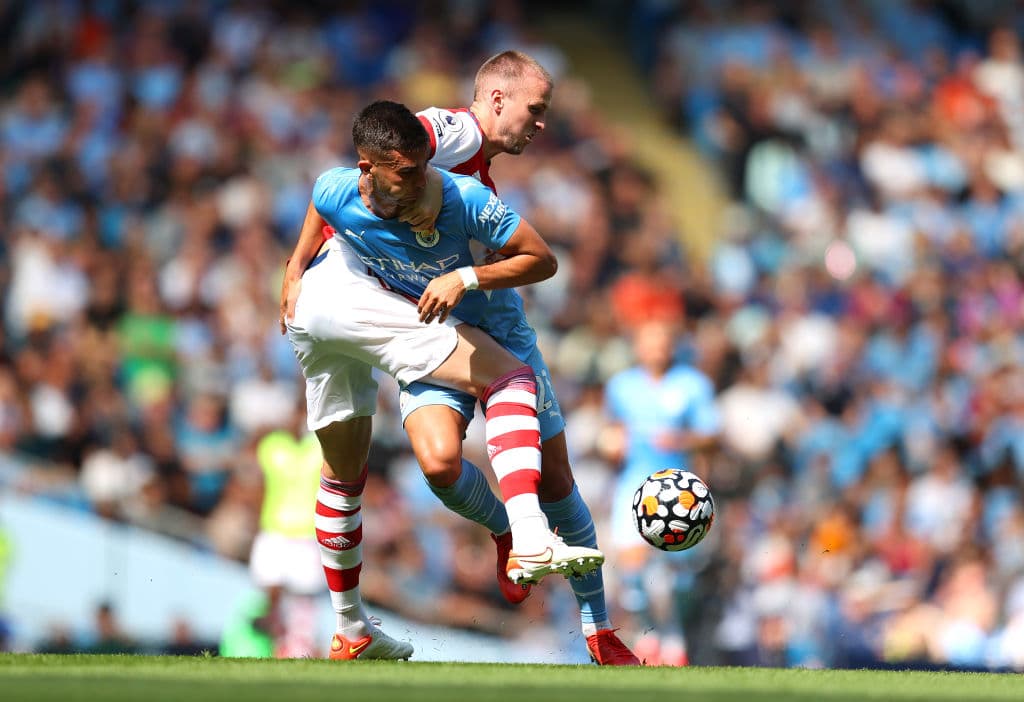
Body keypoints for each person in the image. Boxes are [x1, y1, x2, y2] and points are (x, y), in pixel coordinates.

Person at [288, 51, 639, 664]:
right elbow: (387, 145)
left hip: (490, 316)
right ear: (497, 100)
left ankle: (600, 631)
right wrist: (298, 266)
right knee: (440, 463)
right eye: (535, 110)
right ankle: (511, 533)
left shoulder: (469, 184)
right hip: (425, 312)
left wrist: (469, 276)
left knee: (556, 481)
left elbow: (537, 258)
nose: (540, 124)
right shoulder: (454, 134)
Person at [603, 319, 721, 665]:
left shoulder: (693, 384)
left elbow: (711, 434)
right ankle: (651, 639)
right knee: (632, 568)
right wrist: (613, 444)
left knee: (674, 576)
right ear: (637, 346)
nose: (657, 349)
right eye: (649, 341)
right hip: (634, 485)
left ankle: (673, 640)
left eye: (662, 341)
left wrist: (681, 439)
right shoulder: (621, 386)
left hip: (679, 488)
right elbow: (614, 431)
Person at [248, 417, 325, 657]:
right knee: (271, 588)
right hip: (274, 529)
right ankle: (276, 633)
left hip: (308, 532)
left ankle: (297, 647)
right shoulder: (272, 444)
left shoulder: (320, 445)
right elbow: (259, 483)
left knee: (303, 597)